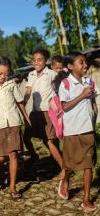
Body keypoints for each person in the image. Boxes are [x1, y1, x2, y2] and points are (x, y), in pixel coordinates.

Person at [57, 52, 98, 212]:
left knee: (89, 165)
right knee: (70, 164)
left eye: (85, 62)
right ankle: (65, 179)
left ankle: (86, 199)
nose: (85, 65)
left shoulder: (89, 82)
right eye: (81, 62)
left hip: (88, 129)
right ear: (70, 66)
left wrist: (94, 115)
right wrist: (82, 95)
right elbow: (65, 107)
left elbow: (94, 101)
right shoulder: (65, 83)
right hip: (72, 130)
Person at [0, 57, 31, 199]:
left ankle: (12, 187)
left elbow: (20, 102)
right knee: (0, 158)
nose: (2, 77)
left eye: (5, 74)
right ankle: (1, 174)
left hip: (14, 122)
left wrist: (26, 118)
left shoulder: (11, 83)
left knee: (13, 155)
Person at [23, 48, 63, 179]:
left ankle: (64, 168)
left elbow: (60, 88)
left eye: (40, 60)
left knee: (49, 141)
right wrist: (23, 101)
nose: (36, 62)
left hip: (48, 112)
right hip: (35, 112)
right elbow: (28, 90)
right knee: (26, 137)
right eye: (34, 60)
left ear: (46, 61)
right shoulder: (31, 75)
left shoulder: (51, 74)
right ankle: (34, 155)